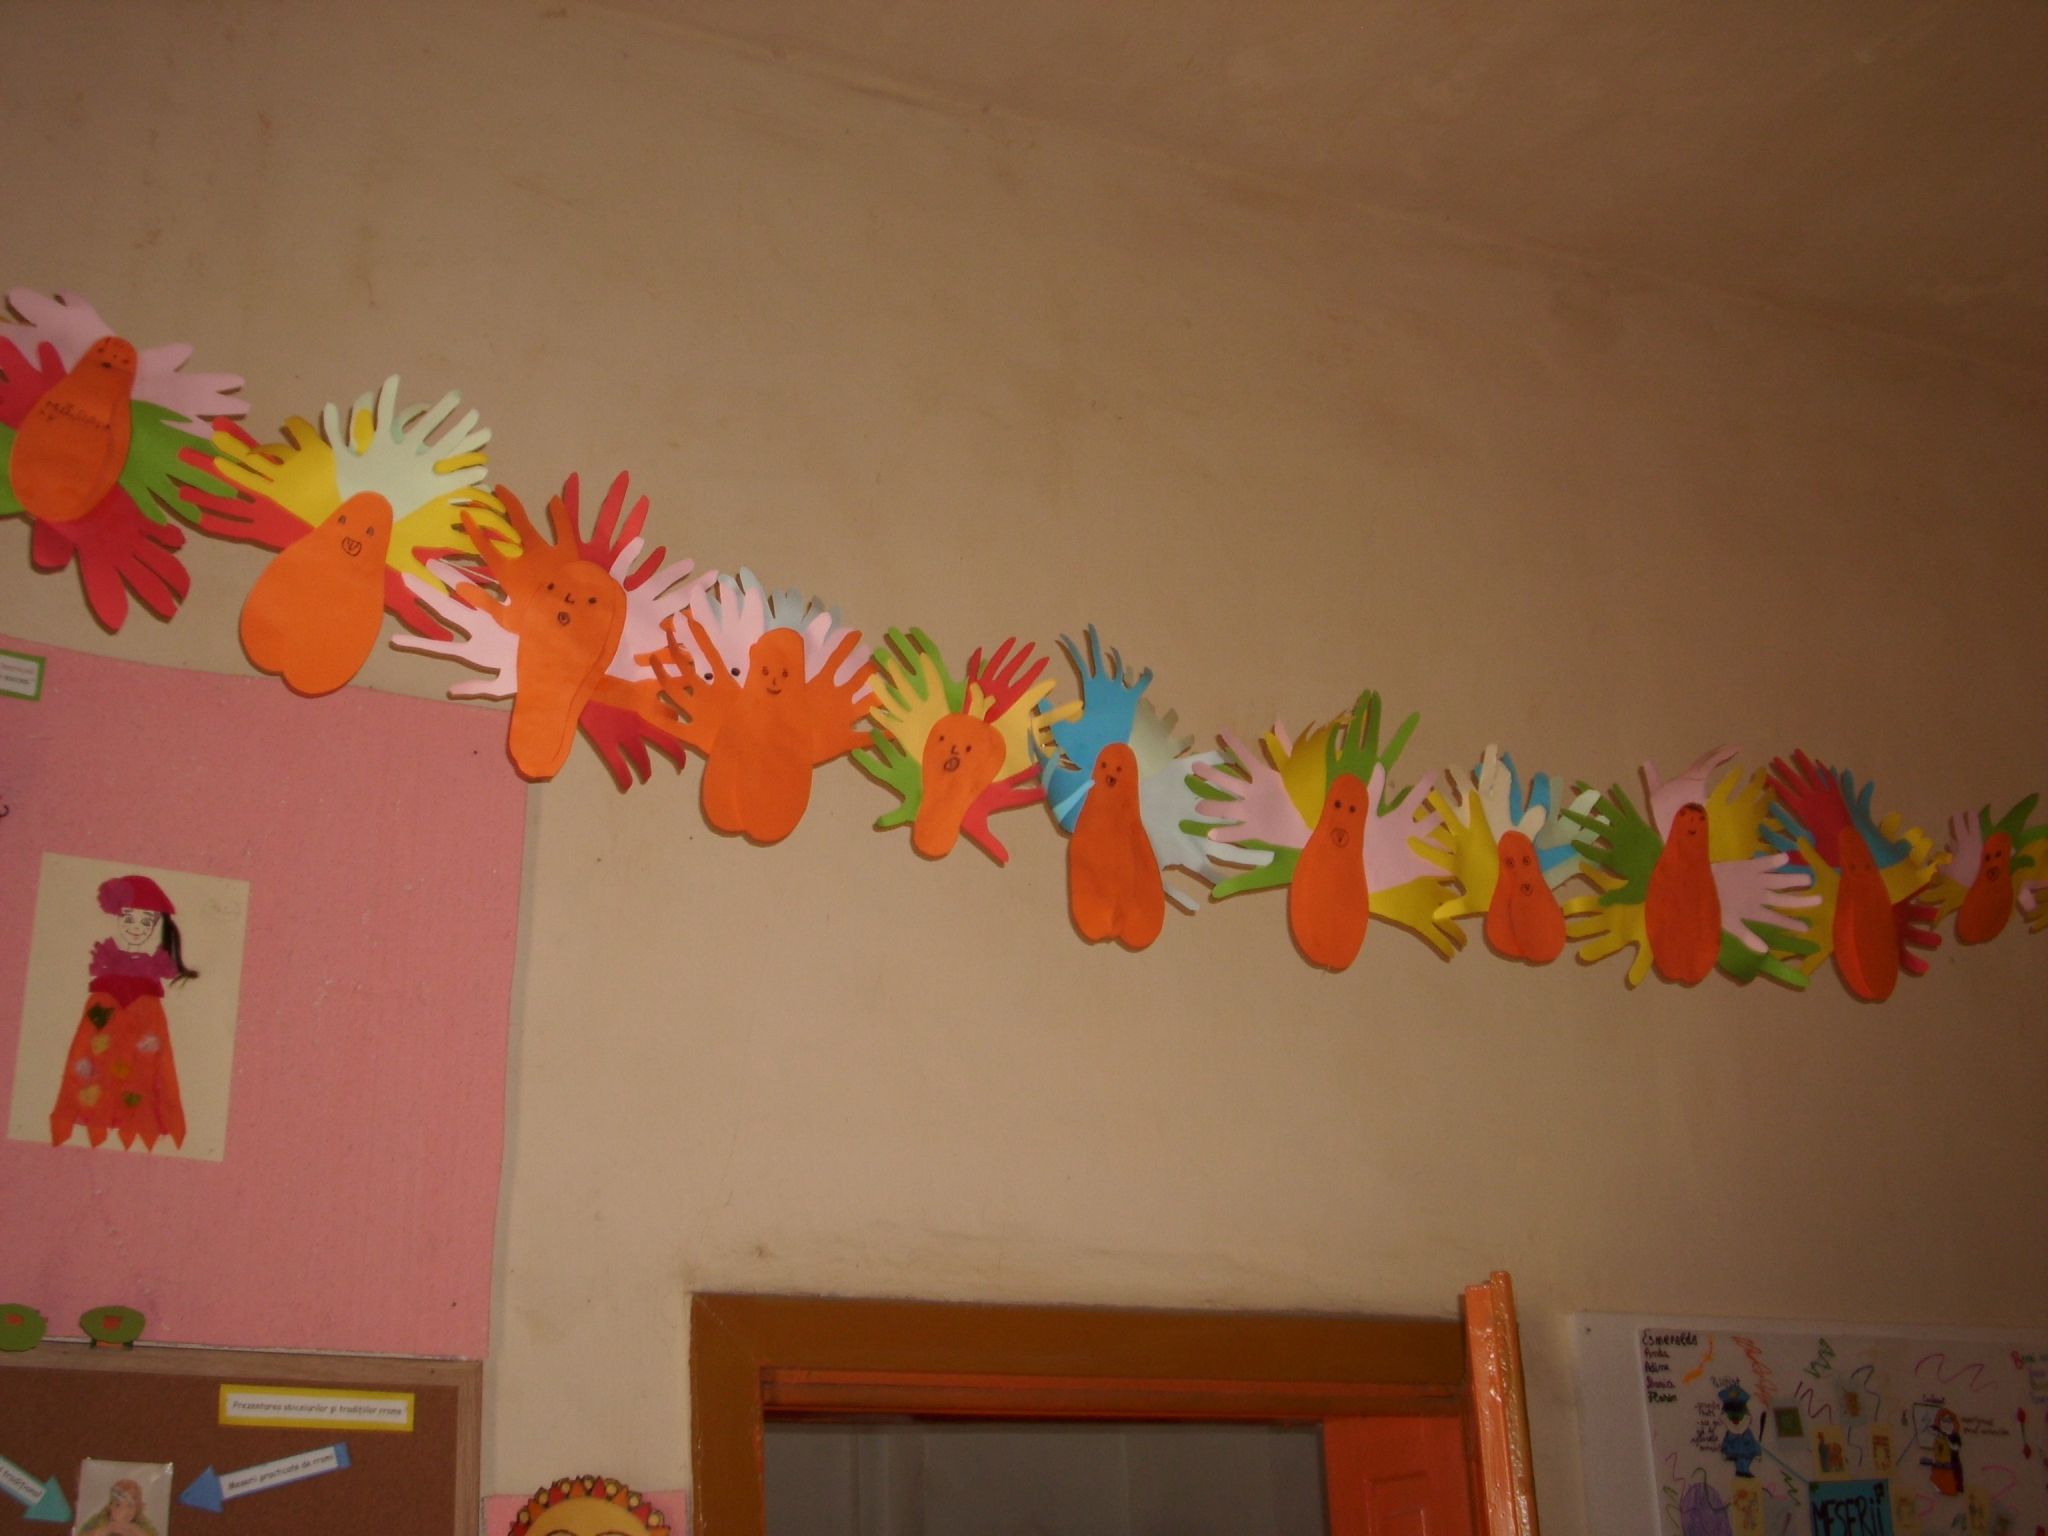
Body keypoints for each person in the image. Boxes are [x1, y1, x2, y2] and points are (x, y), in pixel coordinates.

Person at [49, 875, 192, 1151]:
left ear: (155, 925)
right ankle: (97, 1112)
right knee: (92, 1058)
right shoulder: (107, 962)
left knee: (145, 1066)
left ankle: (131, 1114)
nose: (135, 928)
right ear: (118, 917)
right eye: (128, 918)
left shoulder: (154, 972)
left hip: (143, 1023)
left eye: (145, 922)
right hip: (103, 1018)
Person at [79, 1477, 160, 1536]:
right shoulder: (99, 1520)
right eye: (118, 1505)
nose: (123, 1511)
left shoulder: (141, 1523)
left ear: (137, 1508)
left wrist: (133, 1529)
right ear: (110, 1506)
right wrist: (108, 1528)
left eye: (130, 1506)